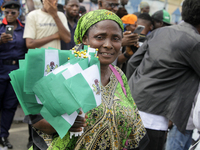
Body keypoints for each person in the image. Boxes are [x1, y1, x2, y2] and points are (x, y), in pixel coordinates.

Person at [29, 9, 148, 150]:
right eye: (100, 37)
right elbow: (36, 119)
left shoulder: (119, 75)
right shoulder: (65, 70)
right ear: (85, 39)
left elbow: (135, 127)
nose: (108, 44)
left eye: (115, 38)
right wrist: (63, 124)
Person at [126, 0, 200, 150]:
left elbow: (133, 63)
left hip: (132, 109)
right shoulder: (195, 42)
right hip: (155, 118)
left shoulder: (160, 32)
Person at [0, 0, 27, 149]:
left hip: (16, 70)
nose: (10, 15)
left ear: (18, 13)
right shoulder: (0, 27)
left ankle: (3, 136)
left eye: (13, 12)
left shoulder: (24, 29)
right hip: (1, 68)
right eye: (7, 12)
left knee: (10, 106)